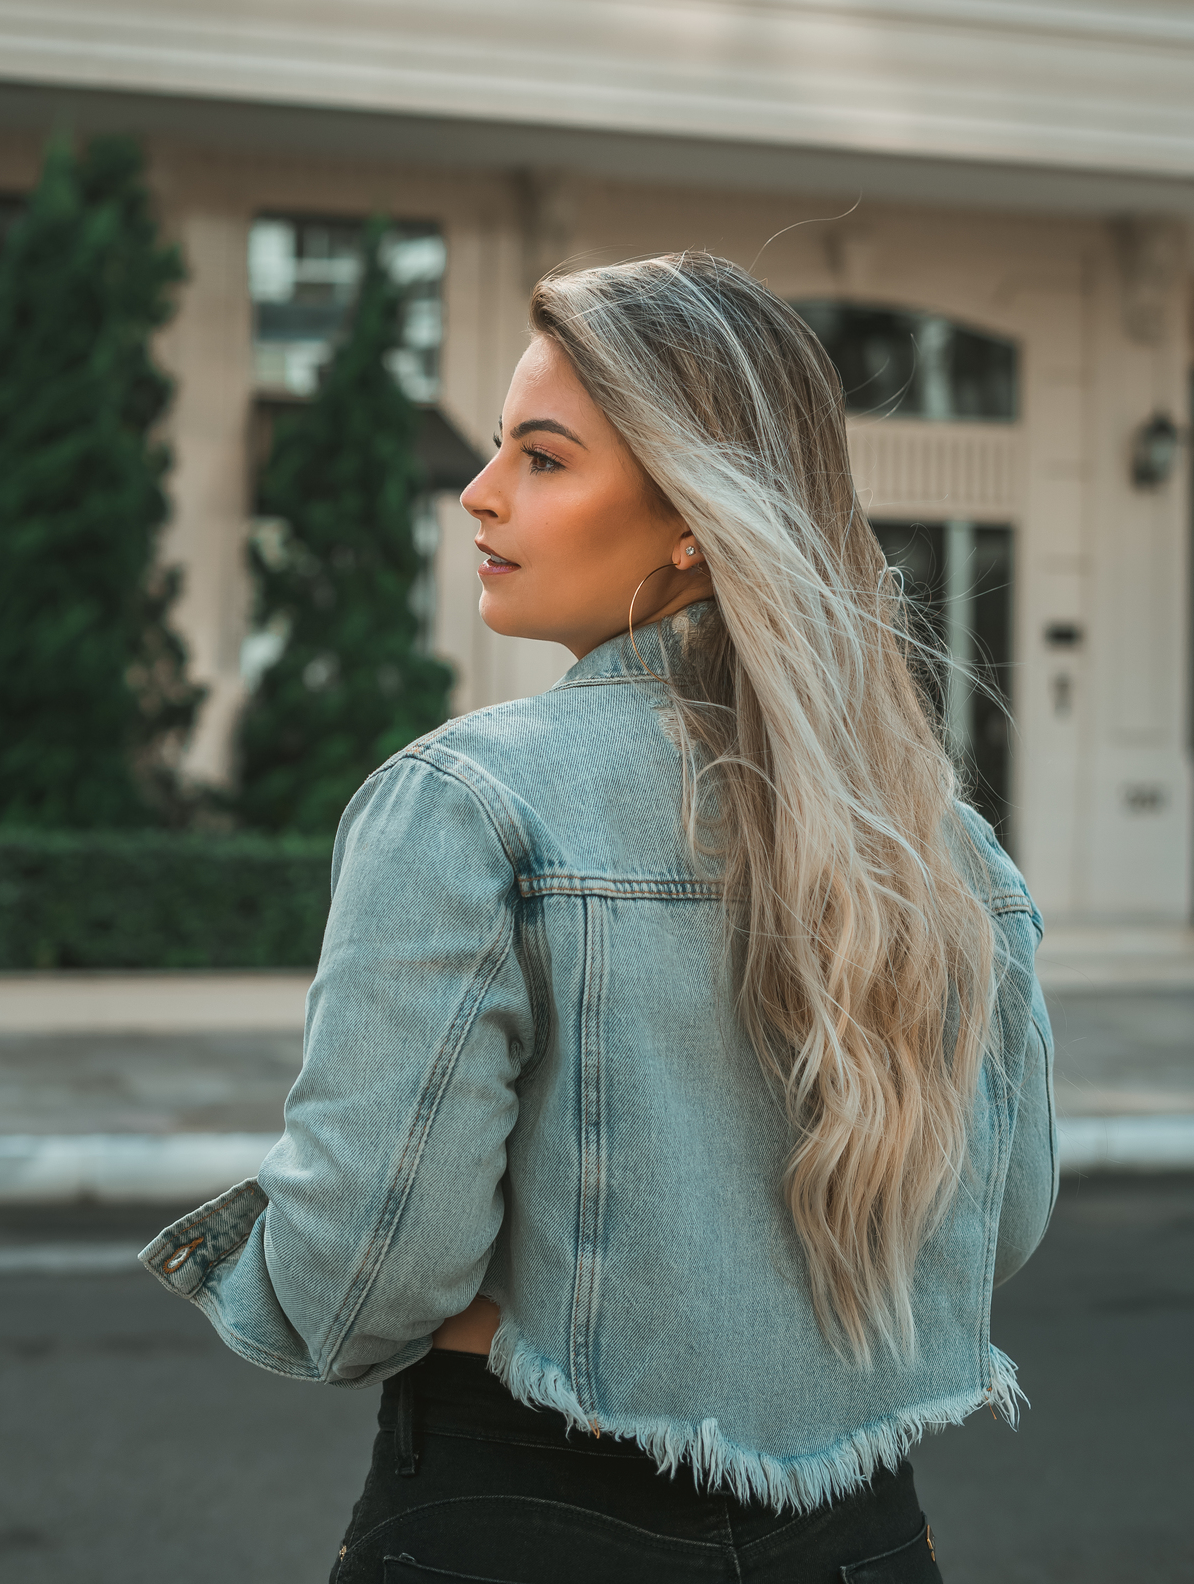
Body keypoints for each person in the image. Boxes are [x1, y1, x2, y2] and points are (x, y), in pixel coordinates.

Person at [141, 253, 1057, 1583]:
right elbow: (1000, 1229)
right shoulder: (946, 842)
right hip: (863, 1540)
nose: (479, 492)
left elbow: (363, 1283)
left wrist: (256, 1259)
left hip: (522, 1515)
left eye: (545, 458)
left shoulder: (468, 801)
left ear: (692, 513)